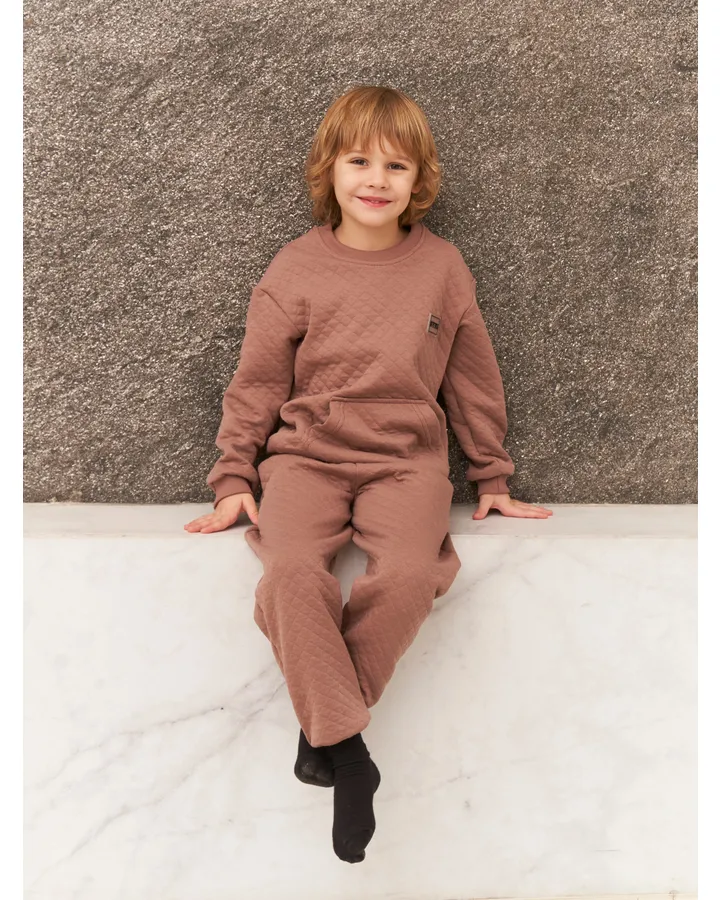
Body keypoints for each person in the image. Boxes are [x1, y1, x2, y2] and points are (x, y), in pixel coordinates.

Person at [184, 85, 552, 864]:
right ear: (330, 170)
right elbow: (257, 380)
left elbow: (472, 378)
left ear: (420, 179)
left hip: (405, 464)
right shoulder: (295, 266)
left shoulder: (442, 268)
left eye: (396, 165)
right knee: (290, 574)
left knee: (412, 573)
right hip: (305, 459)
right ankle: (349, 754)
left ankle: (324, 732)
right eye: (359, 161)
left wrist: (491, 473)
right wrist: (233, 477)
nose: (376, 179)